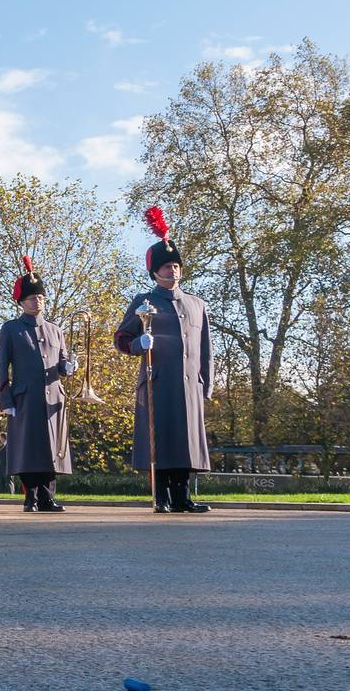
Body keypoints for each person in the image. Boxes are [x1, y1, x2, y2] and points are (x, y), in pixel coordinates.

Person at [114, 207, 213, 514]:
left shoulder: (197, 304)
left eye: (175, 266)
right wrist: (138, 345)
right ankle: (163, 497)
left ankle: (183, 496)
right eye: (167, 267)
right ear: (155, 271)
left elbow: (205, 348)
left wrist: (205, 384)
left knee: (186, 441)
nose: (173, 271)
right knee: (163, 439)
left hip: (188, 383)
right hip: (158, 381)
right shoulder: (144, 302)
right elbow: (121, 338)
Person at [0, 257, 77, 513]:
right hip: (25, 397)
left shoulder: (55, 330)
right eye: (31, 298)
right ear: (21, 302)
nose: (37, 301)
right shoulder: (11, 329)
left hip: (53, 397)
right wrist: (6, 400)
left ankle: (48, 497)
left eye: (40, 297)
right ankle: (31, 497)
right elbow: (1, 367)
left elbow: (61, 363)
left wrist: (69, 367)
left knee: (51, 450)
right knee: (28, 449)